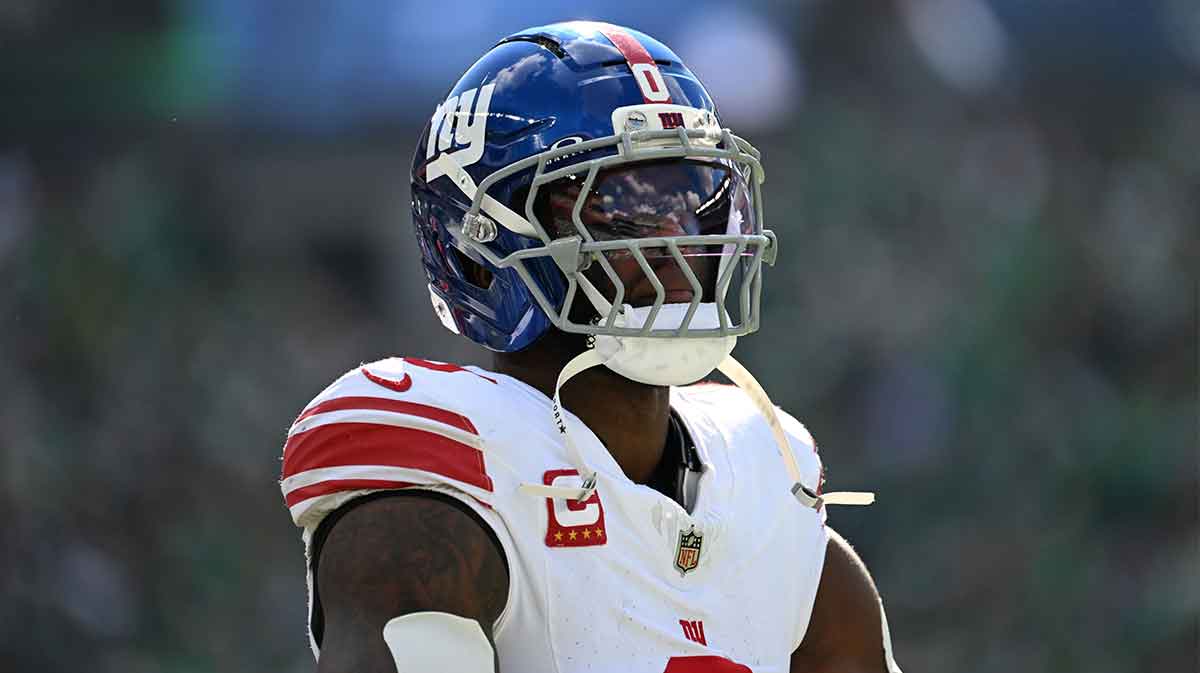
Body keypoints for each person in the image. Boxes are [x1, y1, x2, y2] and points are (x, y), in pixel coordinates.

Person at [279, 21, 903, 673]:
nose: (678, 240)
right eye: (624, 204)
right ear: (483, 244)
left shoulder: (764, 481)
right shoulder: (450, 485)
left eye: (696, 199)